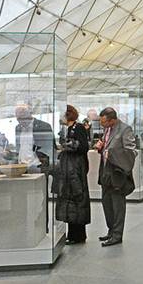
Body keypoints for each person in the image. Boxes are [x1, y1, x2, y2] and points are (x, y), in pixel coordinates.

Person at [95, 107, 137, 246]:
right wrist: (101, 147)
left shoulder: (125, 129)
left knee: (118, 206)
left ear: (112, 120)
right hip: (105, 172)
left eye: (104, 122)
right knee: (106, 203)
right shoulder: (107, 129)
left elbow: (131, 152)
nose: (102, 125)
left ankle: (117, 235)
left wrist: (111, 153)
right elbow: (106, 147)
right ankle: (111, 230)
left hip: (117, 173)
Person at [54, 105, 90, 245]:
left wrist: (66, 146)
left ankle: (78, 235)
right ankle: (72, 234)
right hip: (68, 168)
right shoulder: (66, 129)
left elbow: (83, 147)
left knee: (77, 197)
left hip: (75, 168)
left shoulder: (78, 127)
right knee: (69, 199)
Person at [15, 104, 55, 173]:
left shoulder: (43, 126)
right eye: (18, 119)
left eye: (23, 117)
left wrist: (46, 164)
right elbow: (20, 148)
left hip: (37, 165)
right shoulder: (18, 128)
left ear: (30, 114)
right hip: (22, 167)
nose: (21, 121)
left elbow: (50, 148)